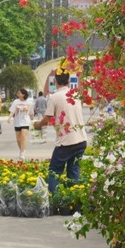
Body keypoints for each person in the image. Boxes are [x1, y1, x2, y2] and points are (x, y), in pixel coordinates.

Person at [40, 73, 89, 210]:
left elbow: (46, 119)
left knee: (54, 171)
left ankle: (55, 203)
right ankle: (72, 203)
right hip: (81, 140)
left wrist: (37, 125)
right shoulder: (75, 95)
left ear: (55, 81)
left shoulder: (55, 97)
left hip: (66, 142)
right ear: (68, 81)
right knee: (73, 172)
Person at [8, 88, 34, 158]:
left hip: (25, 122)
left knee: (23, 136)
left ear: (23, 94)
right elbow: (12, 111)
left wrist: (32, 119)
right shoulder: (16, 102)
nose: (18, 94)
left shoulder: (29, 103)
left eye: (19, 93)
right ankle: (21, 150)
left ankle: (23, 152)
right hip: (17, 122)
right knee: (18, 138)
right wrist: (9, 118)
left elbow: (31, 113)